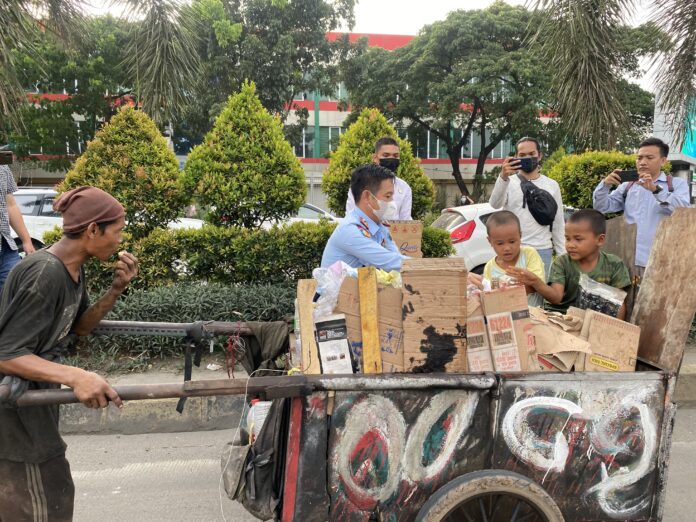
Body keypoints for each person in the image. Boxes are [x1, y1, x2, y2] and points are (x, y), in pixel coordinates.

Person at [0, 186, 139, 521]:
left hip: (35, 408)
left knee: (55, 496)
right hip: (14, 418)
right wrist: (78, 376)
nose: (120, 240)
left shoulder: (72, 268)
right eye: (117, 231)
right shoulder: (44, 273)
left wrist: (116, 290)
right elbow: (6, 354)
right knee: (45, 502)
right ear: (92, 230)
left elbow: (79, 327)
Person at [507, 209, 631, 319]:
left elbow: (617, 304)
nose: (570, 245)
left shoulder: (614, 265)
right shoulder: (562, 263)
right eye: (567, 238)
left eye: (578, 239)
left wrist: (616, 331)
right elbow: (556, 297)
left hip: (593, 322)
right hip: (561, 318)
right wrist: (535, 281)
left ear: (600, 240)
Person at [593, 137, 690, 275]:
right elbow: (601, 207)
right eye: (639, 158)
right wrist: (605, 185)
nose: (643, 162)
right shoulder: (628, 186)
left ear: (663, 160)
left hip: (661, 261)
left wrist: (656, 190)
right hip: (627, 259)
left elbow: (683, 210)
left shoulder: (676, 184)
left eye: (649, 158)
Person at [489, 137, 566, 278]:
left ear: (539, 155)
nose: (527, 158)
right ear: (516, 157)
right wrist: (503, 176)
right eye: (522, 155)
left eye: (532, 154)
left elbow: (558, 222)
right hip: (514, 251)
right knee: (512, 290)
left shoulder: (552, 185)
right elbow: (495, 204)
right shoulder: (508, 182)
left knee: (539, 290)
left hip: (542, 250)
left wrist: (563, 257)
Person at [322, 164, 406, 271]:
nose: (392, 202)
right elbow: (391, 263)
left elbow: (396, 258)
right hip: (341, 283)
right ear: (367, 197)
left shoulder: (380, 226)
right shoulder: (350, 230)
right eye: (388, 196)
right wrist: (424, 265)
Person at [483, 210, 545, 307]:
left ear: (520, 236)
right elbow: (489, 294)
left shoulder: (529, 254)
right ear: (490, 241)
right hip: (504, 314)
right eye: (500, 243)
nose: (507, 248)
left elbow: (537, 285)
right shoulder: (489, 267)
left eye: (512, 241)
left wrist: (503, 289)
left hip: (534, 313)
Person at [345, 137, 413, 220]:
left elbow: (405, 221)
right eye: (386, 155)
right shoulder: (360, 184)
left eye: (395, 156)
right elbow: (351, 216)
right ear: (375, 158)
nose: (391, 159)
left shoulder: (404, 187)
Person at [0, 164, 35, 291]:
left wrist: (26, 241)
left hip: (6, 248)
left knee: (15, 293)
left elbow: (10, 205)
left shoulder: (3, 167)